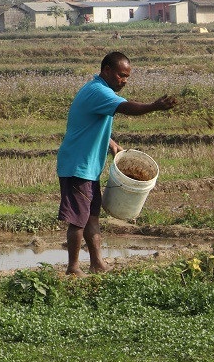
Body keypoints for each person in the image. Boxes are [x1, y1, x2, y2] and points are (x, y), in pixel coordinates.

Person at [56, 51, 177, 276]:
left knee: (92, 217)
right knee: (78, 220)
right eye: (122, 75)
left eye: (128, 77)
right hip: (78, 166)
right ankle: (73, 268)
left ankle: (97, 263)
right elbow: (127, 108)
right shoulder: (99, 91)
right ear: (107, 71)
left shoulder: (97, 90)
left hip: (89, 167)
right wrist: (154, 106)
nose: (125, 81)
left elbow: (89, 122)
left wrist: (110, 142)